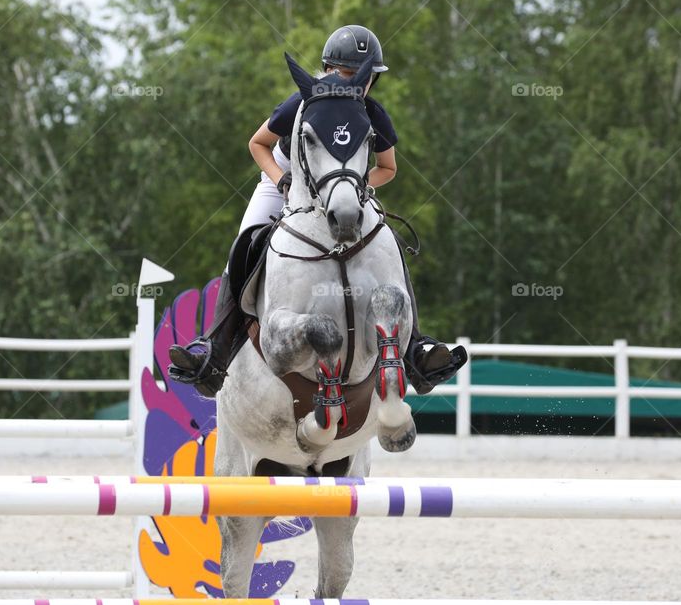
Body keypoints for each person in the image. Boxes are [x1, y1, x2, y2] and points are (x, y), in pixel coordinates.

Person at [168, 25, 467, 398]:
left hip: (342, 191)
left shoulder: (372, 113)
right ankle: (214, 353)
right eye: (344, 73)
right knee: (243, 246)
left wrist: (354, 187)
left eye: (363, 77)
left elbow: (388, 168)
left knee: (389, 244)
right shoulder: (301, 102)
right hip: (282, 183)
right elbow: (258, 144)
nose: (353, 84)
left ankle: (415, 351)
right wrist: (283, 182)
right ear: (326, 69)